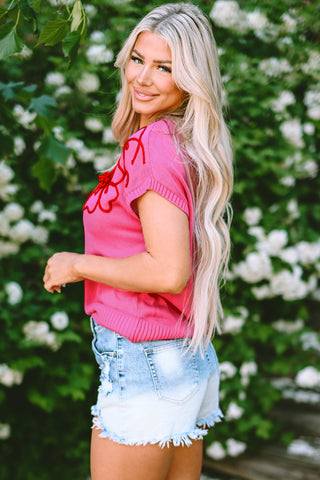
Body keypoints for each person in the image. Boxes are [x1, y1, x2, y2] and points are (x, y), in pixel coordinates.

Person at [43, 3, 233, 479]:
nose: (144, 78)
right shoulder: (176, 139)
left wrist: (76, 264)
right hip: (180, 359)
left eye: (165, 67)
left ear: (189, 78)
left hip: (146, 361)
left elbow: (168, 272)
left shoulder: (155, 147)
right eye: (138, 59)